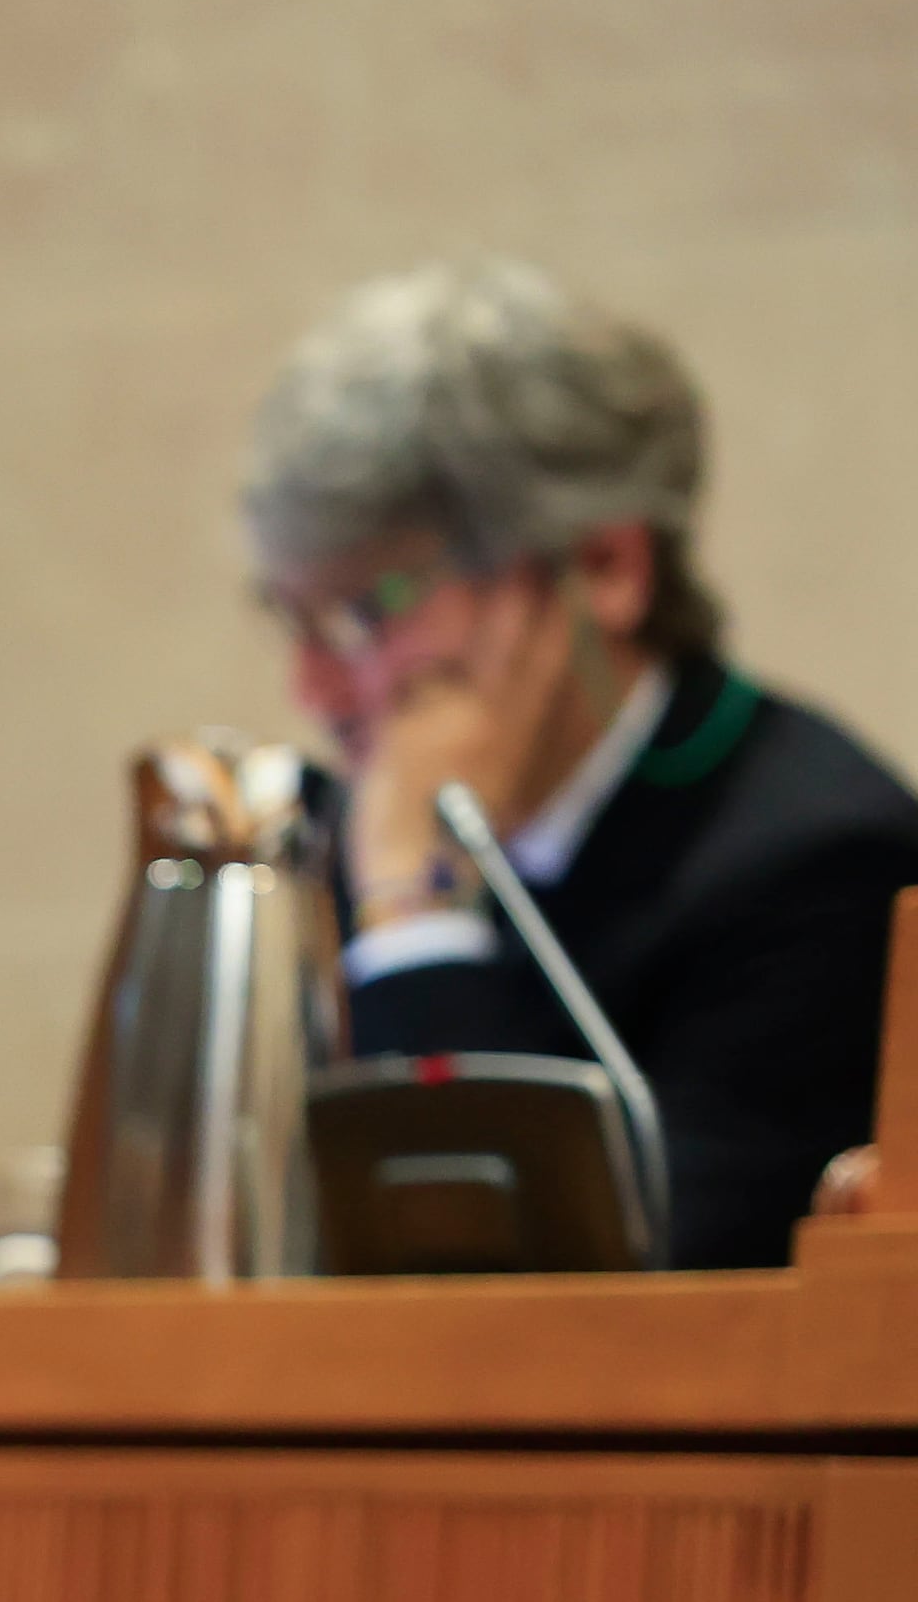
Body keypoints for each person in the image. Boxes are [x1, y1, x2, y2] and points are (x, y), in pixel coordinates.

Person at [247, 258, 918, 1267]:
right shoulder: (342, 829)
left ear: (603, 566)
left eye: (363, 612)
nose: (311, 690)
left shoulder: (818, 861)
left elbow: (564, 1330)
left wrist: (418, 915)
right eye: (289, 621)